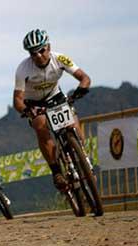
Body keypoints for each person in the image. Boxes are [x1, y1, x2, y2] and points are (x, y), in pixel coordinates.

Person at [12, 29, 91, 191]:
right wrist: (27, 111)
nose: (39, 55)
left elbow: (84, 78)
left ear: (48, 47)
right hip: (34, 103)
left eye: (41, 50)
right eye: (33, 53)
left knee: (74, 126)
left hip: (55, 96)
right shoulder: (23, 69)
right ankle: (56, 171)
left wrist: (80, 90)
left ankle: (82, 155)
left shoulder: (60, 59)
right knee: (41, 127)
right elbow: (17, 100)